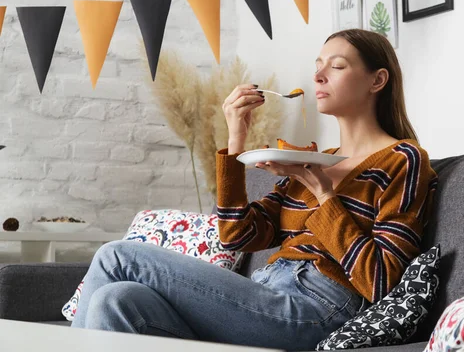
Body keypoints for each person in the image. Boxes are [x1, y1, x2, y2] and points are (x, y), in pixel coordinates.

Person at [71, 29, 438, 351]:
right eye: (318, 64)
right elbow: (236, 236)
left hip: (320, 307)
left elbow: (382, 282)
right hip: (266, 293)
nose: (318, 75)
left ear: (377, 81)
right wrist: (237, 137)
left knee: (117, 257)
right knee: (115, 300)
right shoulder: (313, 161)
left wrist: (324, 196)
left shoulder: (402, 159)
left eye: (337, 66)